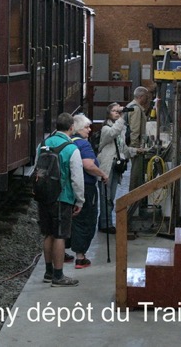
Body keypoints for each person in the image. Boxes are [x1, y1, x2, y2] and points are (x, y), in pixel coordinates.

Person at [37, 112, 84, 287]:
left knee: (48, 233)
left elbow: (37, 169)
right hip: (62, 197)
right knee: (60, 235)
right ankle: (58, 276)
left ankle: (48, 272)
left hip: (44, 196)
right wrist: (80, 200)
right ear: (72, 128)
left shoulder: (43, 144)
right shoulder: (72, 148)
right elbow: (77, 179)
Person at [69, 114, 107, 269]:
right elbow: (88, 165)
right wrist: (103, 174)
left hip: (69, 187)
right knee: (86, 219)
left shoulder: (67, 143)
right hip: (86, 187)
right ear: (78, 128)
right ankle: (80, 256)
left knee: (72, 219)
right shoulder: (84, 145)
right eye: (86, 127)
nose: (89, 130)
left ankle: (64, 252)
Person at [96, 103, 139, 232]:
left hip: (116, 166)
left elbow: (123, 148)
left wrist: (137, 151)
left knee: (111, 196)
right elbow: (113, 132)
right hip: (107, 166)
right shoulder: (106, 129)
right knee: (105, 196)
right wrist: (122, 116)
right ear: (108, 114)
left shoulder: (122, 129)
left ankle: (106, 221)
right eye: (114, 111)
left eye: (118, 110)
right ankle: (105, 224)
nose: (117, 113)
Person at [124, 86, 153, 192]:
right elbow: (135, 130)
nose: (148, 99)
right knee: (136, 175)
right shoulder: (136, 109)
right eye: (146, 97)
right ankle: (134, 199)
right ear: (141, 96)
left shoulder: (130, 106)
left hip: (131, 145)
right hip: (135, 146)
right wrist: (136, 148)